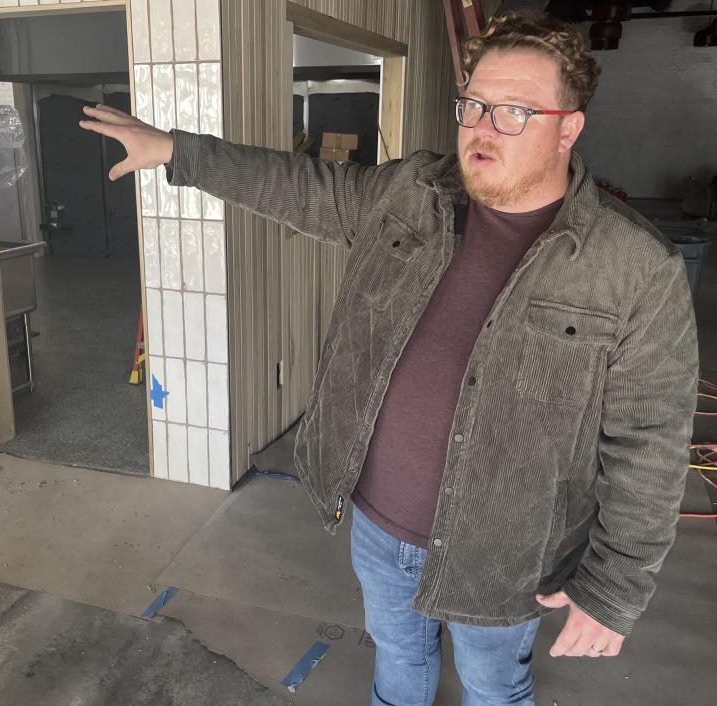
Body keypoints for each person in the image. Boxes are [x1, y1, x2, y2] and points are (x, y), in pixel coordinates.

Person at [80, 11, 698, 706]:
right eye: (474, 106)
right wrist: (176, 151)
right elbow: (299, 185)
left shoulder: (636, 269)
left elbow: (648, 446)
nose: (483, 128)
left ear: (568, 127)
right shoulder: (413, 193)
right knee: (399, 662)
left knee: (496, 684)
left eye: (516, 112)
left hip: (508, 551)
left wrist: (613, 589)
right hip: (379, 523)